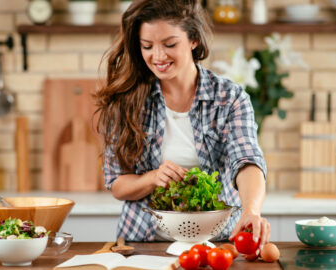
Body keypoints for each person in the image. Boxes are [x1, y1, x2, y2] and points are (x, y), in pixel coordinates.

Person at [95, 0, 269, 252]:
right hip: (143, 244)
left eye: (170, 44)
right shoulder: (126, 101)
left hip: (218, 243)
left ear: (194, 40)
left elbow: (247, 160)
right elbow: (117, 184)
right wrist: (153, 178)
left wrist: (252, 210)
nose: (158, 56)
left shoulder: (229, 98)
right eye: (147, 46)